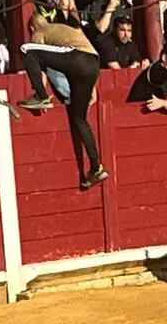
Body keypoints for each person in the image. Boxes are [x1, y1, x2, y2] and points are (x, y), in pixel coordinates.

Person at [17, 14, 108, 191]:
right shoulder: (61, 30)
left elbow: (38, 63)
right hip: (93, 65)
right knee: (79, 119)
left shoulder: (40, 32)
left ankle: (41, 96)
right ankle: (96, 167)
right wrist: (92, 89)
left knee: (26, 49)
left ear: (32, 28)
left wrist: (40, 91)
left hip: (77, 57)